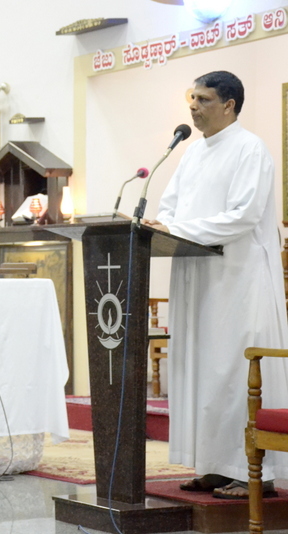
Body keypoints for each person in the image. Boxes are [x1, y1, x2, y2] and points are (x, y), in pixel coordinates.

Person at [145, 71, 288, 499]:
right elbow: (169, 209)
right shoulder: (192, 153)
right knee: (204, 371)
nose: (193, 107)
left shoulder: (250, 149)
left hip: (237, 280)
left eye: (203, 99)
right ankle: (214, 465)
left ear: (229, 105)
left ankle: (254, 471)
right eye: (192, 99)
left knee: (235, 372)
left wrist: (177, 229)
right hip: (198, 277)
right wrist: (161, 226)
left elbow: (244, 215)